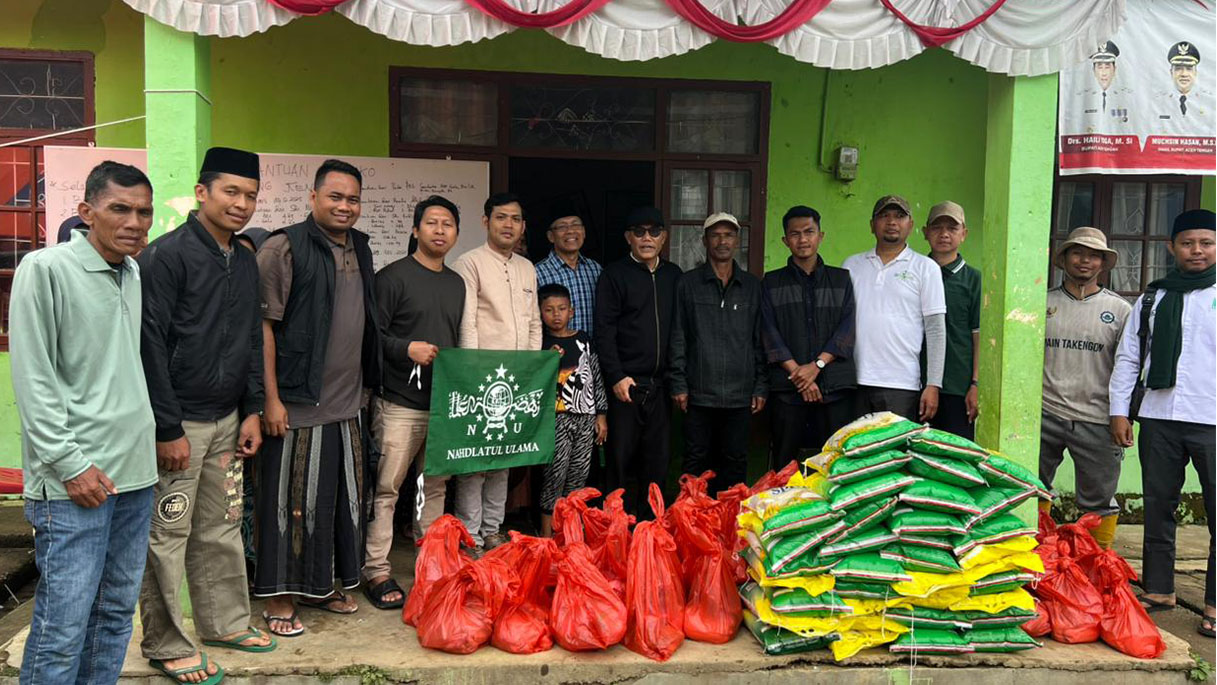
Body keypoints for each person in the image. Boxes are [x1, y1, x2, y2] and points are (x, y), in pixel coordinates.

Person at [11, 161, 157, 684]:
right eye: (120, 209)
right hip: (75, 483)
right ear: (86, 212)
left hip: (134, 477)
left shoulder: (132, 272)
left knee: (114, 616)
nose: (134, 222)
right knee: (62, 626)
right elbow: (34, 379)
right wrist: (70, 465)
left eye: (144, 212)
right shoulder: (45, 269)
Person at [137, 147, 274, 681]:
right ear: (202, 193)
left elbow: (249, 341)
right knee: (168, 533)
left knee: (222, 526)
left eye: (250, 195)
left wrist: (251, 410)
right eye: (230, 192)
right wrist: (167, 427)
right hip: (181, 425)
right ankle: (166, 642)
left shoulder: (245, 259)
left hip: (226, 421)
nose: (241, 204)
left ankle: (225, 623)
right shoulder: (166, 256)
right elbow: (149, 345)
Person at [254, 159, 380, 636]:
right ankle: (280, 598)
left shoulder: (361, 246)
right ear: (313, 197)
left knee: (334, 504)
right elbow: (263, 327)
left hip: (347, 405)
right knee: (289, 504)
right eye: (335, 197)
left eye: (353, 199)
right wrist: (271, 399)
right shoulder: (283, 247)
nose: (345, 206)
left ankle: (320, 587)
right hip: (296, 404)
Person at [1110, 208, 1215, 638]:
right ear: (1172, 247)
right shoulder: (1153, 298)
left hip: (1212, 418)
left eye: (1206, 243)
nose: (1197, 251)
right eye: (1187, 243)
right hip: (1160, 415)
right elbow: (1129, 357)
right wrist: (1120, 411)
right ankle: (1158, 589)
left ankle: (1213, 605)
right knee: (1158, 506)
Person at [364, 195, 464, 609]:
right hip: (399, 403)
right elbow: (371, 337)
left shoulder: (457, 283)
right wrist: (406, 349)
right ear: (415, 229)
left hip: (442, 405)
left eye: (447, 224)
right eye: (432, 223)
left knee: (433, 486)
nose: (440, 230)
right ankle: (376, 569)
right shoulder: (392, 278)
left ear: (456, 234)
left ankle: (431, 562)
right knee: (386, 488)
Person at [452, 193, 543, 552]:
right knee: (475, 460)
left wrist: (531, 371)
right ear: (486, 221)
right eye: (501, 217)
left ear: (523, 226)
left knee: (503, 457)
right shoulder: (469, 263)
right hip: (483, 377)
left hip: (517, 377)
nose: (509, 225)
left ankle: (492, 529)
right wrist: (472, 372)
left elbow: (533, 321)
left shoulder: (527, 267)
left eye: (515, 219)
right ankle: (469, 534)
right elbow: (468, 322)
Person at [1039, 227, 1130, 549]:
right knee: (1032, 488)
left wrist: (1122, 414)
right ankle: (1036, 558)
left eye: (1093, 256)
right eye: (1077, 253)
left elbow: (1128, 367)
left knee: (1099, 501)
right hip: (1044, 413)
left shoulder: (1120, 310)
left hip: (1097, 418)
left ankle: (1096, 565)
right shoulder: (1042, 302)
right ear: (1064, 258)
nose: (1084, 261)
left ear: (1103, 263)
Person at [669, 212, 766, 494]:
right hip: (699, 392)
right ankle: (692, 518)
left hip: (740, 394)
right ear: (705, 240)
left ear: (737, 240)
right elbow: (678, 335)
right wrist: (678, 383)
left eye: (729, 235)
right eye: (716, 235)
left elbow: (759, 340)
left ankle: (729, 518)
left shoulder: (752, 286)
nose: (722, 241)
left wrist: (760, 386)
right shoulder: (688, 283)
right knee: (695, 462)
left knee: (735, 462)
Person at [594, 206, 682, 517]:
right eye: (639, 232)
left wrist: (678, 379)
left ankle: (651, 528)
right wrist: (616, 376)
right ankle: (616, 526)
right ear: (628, 238)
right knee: (620, 461)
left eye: (654, 232)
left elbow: (682, 330)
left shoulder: (674, 276)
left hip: (662, 386)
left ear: (664, 238)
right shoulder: (614, 275)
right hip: (626, 386)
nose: (647, 238)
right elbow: (604, 330)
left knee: (657, 463)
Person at [761, 206, 856, 465]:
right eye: (795, 234)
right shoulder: (771, 282)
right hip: (787, 391)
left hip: (834, 389)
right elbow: (769, 332)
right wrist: (799, 375)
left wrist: (817, 366)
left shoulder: (841, 279)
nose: (802, 239)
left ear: (820, 236)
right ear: (785, 240)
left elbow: (847, 328)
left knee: (835, 463)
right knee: (784, 464)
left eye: (809, 232)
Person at [842, 195, 946, 422]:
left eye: (899, 216)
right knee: (855, 445)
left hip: (901, 384)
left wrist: (933, 384)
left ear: (910, 225)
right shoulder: (851, 265)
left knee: (895, 446)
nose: (891, 222)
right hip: (854, 381)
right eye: (884, 216)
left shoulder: (926, 268)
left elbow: (936, 330)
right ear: (872, 225)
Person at [538, 283, 607, 536]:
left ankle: (569, 536)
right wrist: (546, 359)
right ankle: (547, 538)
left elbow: (595, 377)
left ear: (572, 311)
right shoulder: (540, 343)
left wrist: (601, 415)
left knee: (578, 475)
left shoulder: (583, 340)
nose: (556, 315)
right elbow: (534, 380)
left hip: (585, 419)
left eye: (562, 309)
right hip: (555, 421)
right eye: (549, 310)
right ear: (540, 313)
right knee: (555, 476)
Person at [922, 201, 981, 440]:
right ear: (925, 232)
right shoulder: (916, 272)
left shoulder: (973, 280)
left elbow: (979, 336)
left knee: (955, 454)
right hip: (915, 384)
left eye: (952, 228)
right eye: (937, 227)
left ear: (964, 234)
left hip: (958, 387)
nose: (944, 234)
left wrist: (976, 384)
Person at [534, 210, 603, 337]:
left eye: (575, 225)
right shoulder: (537, 273)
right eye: (562, 227)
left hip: (593, 348)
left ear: (584, 232)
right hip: (555, 348)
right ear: (551, 236)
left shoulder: (595, 269)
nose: (570, 231)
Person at [1078, 41, 1130, 133]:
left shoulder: (1127, 96)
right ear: (1094, 70)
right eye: (1099, 67)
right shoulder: (1081, 98)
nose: (1104, 73)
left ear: (1114, 69)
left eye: (1107, 67)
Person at [1159, 41, 1211, 130]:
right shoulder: (1159, 101)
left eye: (1189, 69)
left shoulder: (1210, 101)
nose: (1184, 74)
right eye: (1178, 69)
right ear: (1171, 72)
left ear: (1195, 73)